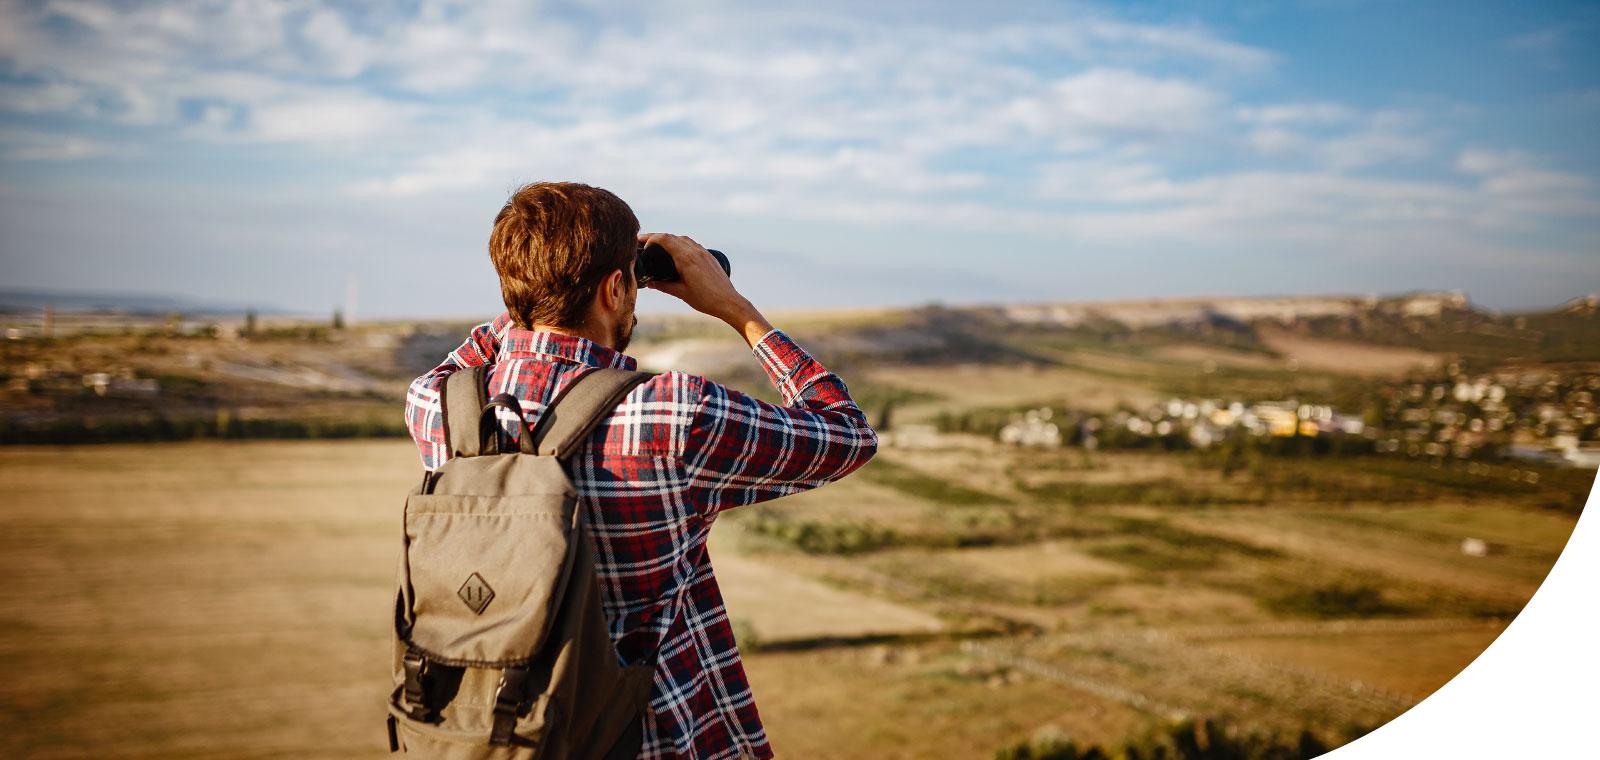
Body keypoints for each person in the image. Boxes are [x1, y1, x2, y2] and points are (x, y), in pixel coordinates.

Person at [404, 182, 878, 760]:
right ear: (616, 287)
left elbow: (481, 347)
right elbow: (848, 434)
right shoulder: (672, 415)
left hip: (501, 731)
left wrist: (539, 284)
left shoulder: (439, 409)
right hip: (651, 740)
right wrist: (735, 308)